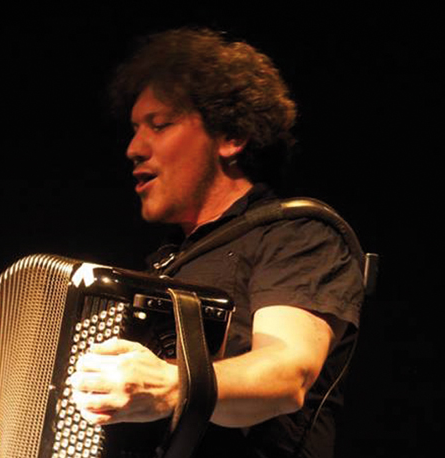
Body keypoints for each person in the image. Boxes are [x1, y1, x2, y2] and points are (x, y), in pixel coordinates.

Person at [69, 28, 363, 458]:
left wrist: (169, 384)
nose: (133, 148)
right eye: (134, 129)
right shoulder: (162, 266)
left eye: (160, 125)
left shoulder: (298, 234)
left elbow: (287, 374)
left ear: (231, 137)